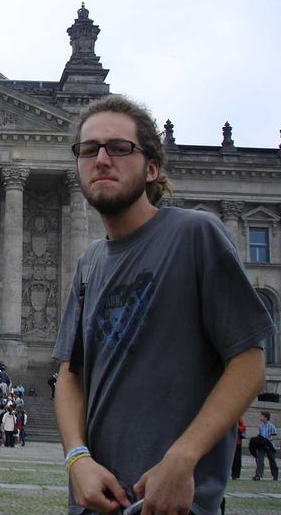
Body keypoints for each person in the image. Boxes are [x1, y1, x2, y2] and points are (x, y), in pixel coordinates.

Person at [52, 95, 274, 515]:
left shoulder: (196, 234)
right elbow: (69, 377)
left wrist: (184, 456)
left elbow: (249, 362)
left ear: (151, 167)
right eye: (88, 149)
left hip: (172, 501)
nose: (101, 159)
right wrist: (77, 458)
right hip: (96, 502)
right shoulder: (88, 264)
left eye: (119, 147)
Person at [252, 411, 278, 481]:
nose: (260, 417)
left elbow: (274, 435)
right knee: (260, 460)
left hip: (269, 445)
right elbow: (259, 435)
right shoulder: (261, 426)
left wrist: (268, 441)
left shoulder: (271, 426)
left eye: (262, 416)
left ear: (266, 417)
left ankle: (275, 475)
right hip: (262, 445)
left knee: (272, 460)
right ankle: (258, 475)